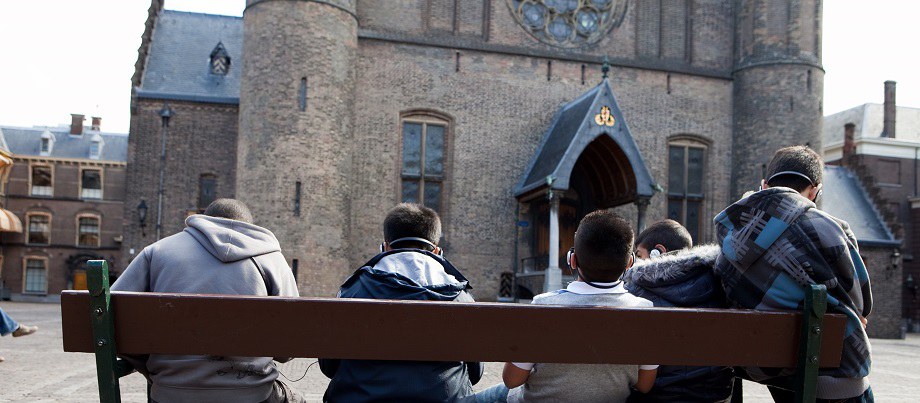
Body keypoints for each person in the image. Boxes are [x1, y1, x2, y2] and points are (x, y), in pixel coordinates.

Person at [714, 146, 873, 402]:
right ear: (814, 190)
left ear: (764, 186)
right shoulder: (829, 230)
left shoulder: (730, 238)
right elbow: (864, 304)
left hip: (771, 374)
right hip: (834, 377)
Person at [111, 199, 303, 403]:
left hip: (170, 393)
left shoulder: (157, 252)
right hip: (252, 394)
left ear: (202, 220)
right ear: (249, 227)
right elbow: (288, 347)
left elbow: (113, 321)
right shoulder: (273, 260)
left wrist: (152, 369)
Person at [475, 210, 657, 403]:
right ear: (630, 262)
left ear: (572, 259)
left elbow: (512, 380)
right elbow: (644, 385)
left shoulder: (544, 306)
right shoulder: (644, 309)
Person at [319, 203, 483, 402]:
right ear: (438, 251)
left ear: (385, 247)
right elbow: (475, 374)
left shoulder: (353, 290)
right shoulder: (461, 298)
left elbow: (329, 366)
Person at [623, 219, 734, 402]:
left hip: (659, 396)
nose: (637, 263)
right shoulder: (720, 284)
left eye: (639, 255)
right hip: (716, 395)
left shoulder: (639, 292)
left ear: (658, 250)